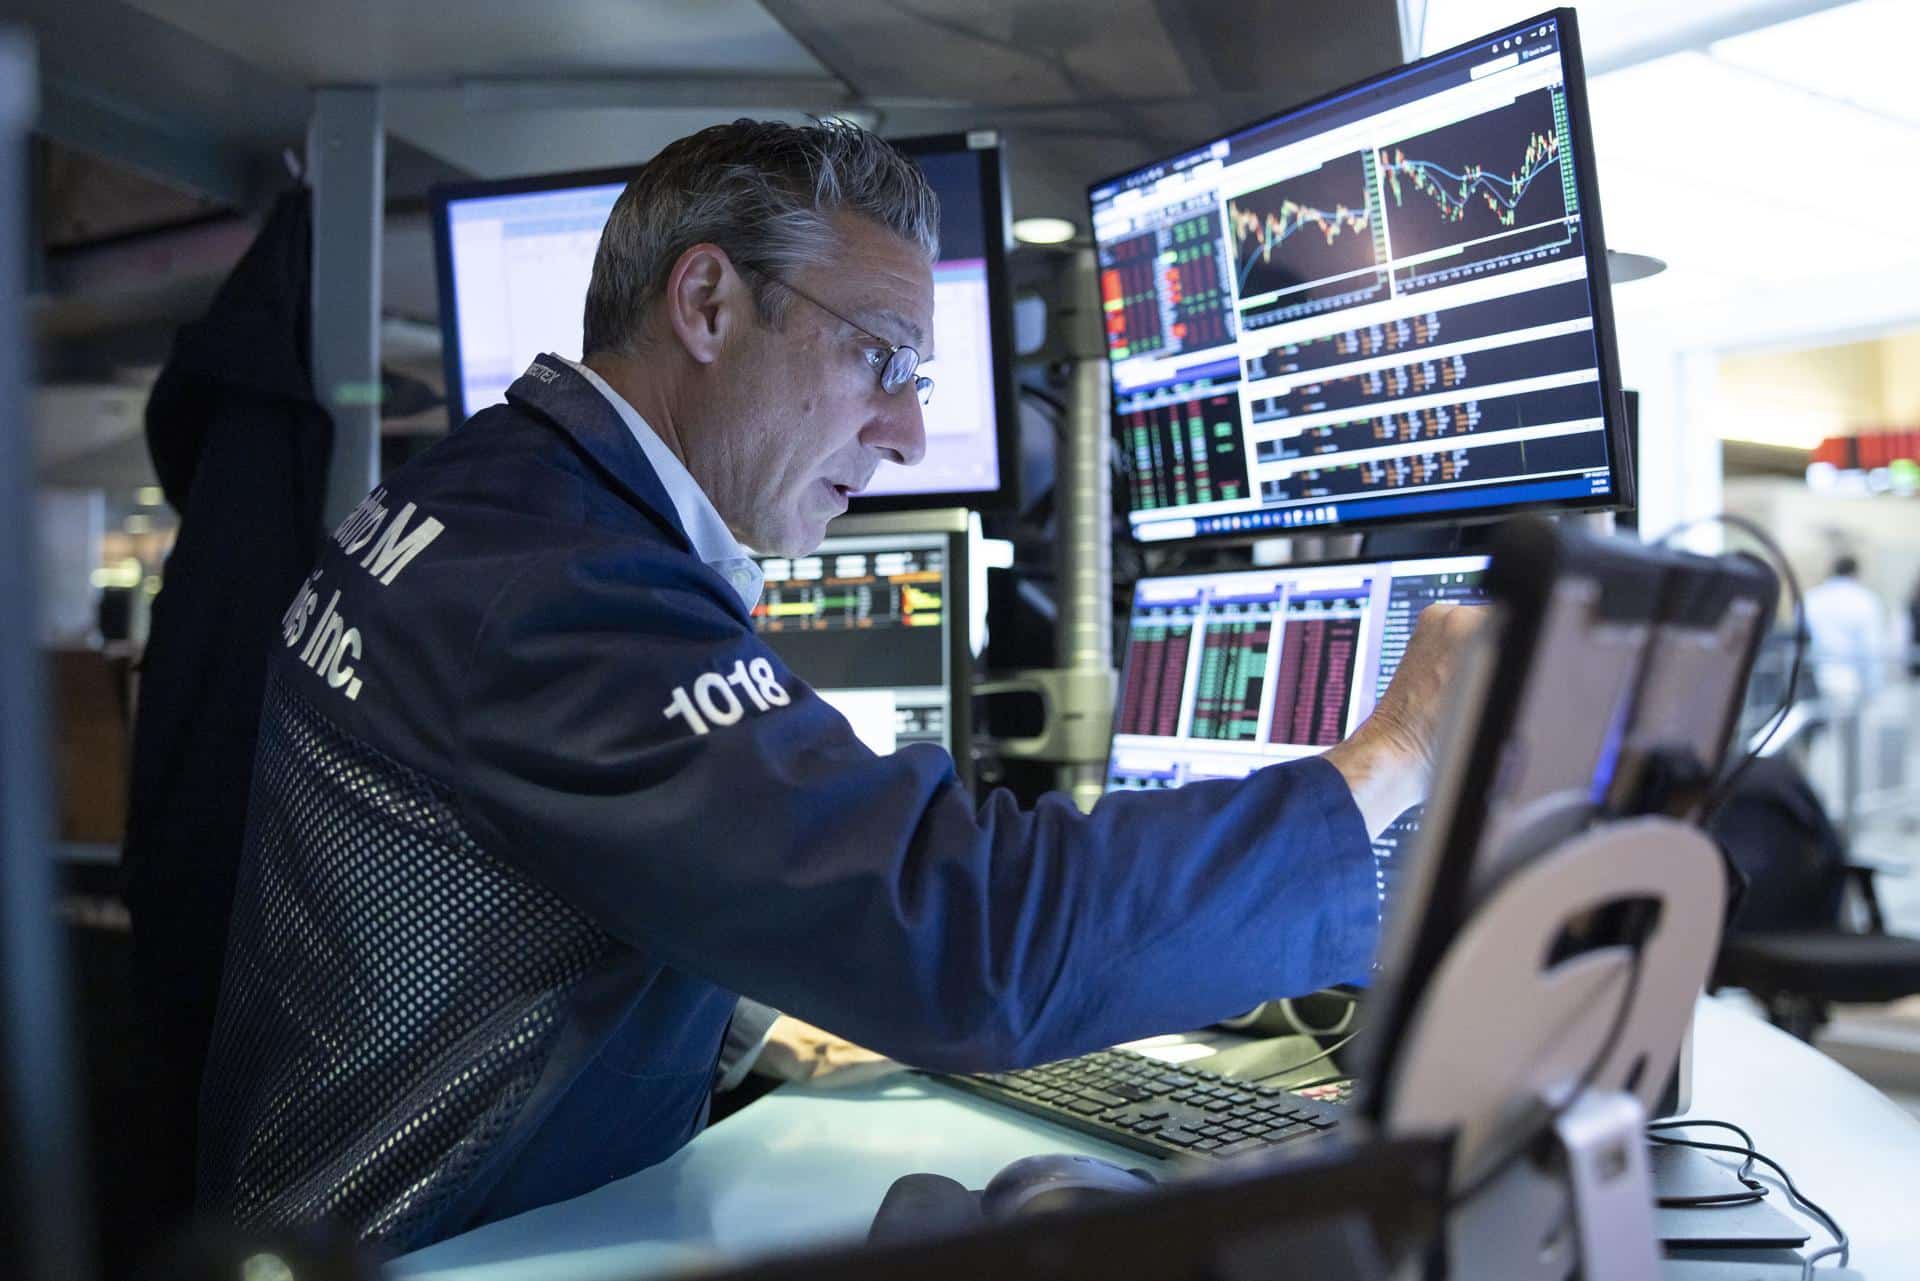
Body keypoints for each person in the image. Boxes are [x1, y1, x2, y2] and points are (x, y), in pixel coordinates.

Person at [195, 119, 1480, 1252]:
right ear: (708, 305)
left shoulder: (483, 499)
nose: (910, 432)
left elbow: (534, 896)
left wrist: (756, 1008)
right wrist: (1395, 749)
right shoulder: (561, 591)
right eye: (884, 359)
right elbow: (969, 940)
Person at [1804, 554, 1884, 707]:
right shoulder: (1864, 600)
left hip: (1814, 674)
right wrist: (1873, 685)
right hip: (1850, 679)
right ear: (1856, 573)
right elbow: (1871, 646)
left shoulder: (1812, 598)